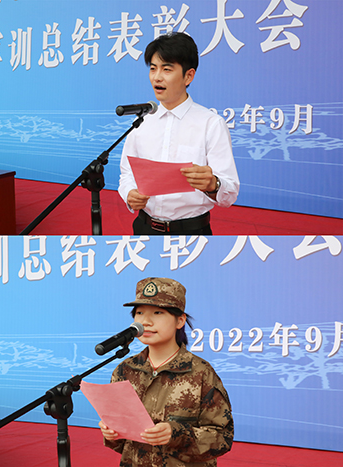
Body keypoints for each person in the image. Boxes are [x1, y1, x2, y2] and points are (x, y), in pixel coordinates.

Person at [99, 277, 233, 466]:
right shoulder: (125, 370)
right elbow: (122, 444)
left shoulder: (201, 373)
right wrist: (112, 433)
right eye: (139, 313)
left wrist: (177, 434)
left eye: (157, 312)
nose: (145, 321)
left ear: (180, 320)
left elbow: (222, 438)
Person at [118, 32, 240, 235]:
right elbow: (127, 174)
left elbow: (230, 192)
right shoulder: (142, 122)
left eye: (166, 69)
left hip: (192, 231)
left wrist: (213, 184)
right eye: (153, 68)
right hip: (143, 227)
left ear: (188, 76)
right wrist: (129, 193)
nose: (157, 77)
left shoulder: (211, 124)